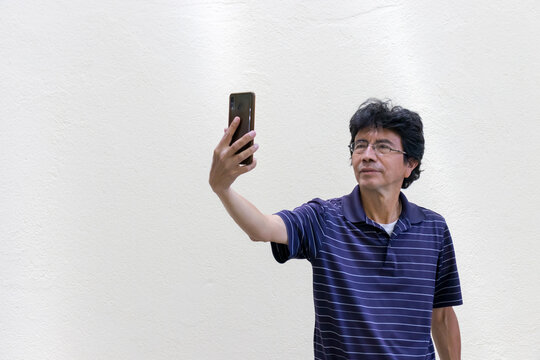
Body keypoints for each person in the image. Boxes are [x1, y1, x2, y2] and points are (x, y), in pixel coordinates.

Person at [209, 98, 462, 360]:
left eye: (383, 147)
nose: (367, 155)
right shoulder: (324, 219)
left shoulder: (433, 228)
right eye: (360, 145)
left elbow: (442, 316)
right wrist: (223, 189)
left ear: (410, 164)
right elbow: (262, 228)